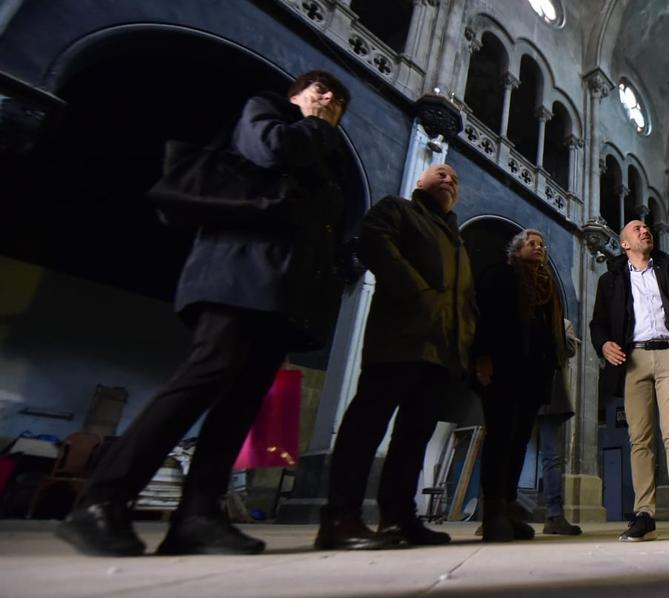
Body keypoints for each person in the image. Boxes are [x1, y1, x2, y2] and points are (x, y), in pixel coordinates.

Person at [57, 70, 352, 556]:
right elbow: (271, 152)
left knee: (242, 400)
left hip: (282, 291)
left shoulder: (323, 155)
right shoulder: (269, 112)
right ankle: (102, 500)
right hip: (237, 273)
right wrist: (318, 125)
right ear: (295, 95)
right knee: (204, 374)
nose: (328, 99)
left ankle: (198, 515)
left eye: (337, 100)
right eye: (319, 90)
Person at [313, 163, 475, 550]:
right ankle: (340, 517)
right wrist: (416, 293)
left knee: (413, 436)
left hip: (441, 349)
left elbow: (464, 298)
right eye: (441, 173)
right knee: (367, 423)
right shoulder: (398, 209)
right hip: (399, 336)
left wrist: (465, 333)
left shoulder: (456, 240)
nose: (449, 180)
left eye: (454, 179)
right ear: (421, 180)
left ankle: (399, 518)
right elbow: (373, 241)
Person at [589, 220, 669, 543]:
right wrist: (603, 344)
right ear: (624, 243)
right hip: (633, 360)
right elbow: (597, 323)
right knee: (640, 439)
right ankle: (645, 515)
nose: (645, 231)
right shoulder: (610, 280)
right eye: (637, 229)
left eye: (646, 228)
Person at [473, 230, 581, 541]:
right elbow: (486, 318)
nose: (538, 247)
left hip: (533, 375)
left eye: (542, 245)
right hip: (503, 367)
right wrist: (482, 356)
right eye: (531, 243)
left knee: (519, 439)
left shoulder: (547, 289)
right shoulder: (501, 275)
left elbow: (550, 337)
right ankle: (492, 511)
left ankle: (507, 505)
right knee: (500, 438)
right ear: (516, 250)